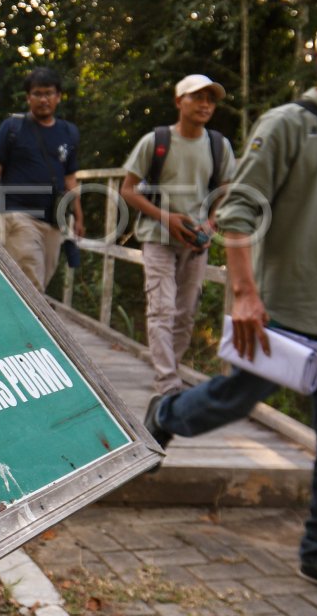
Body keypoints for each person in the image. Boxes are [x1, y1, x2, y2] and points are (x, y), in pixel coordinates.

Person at [143, 11, 317, 610]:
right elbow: (239, 212)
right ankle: (167, 413)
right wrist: (244, 293)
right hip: (289, 306)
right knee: (236, 398)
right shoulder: (287, 126)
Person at [120, 74, 236, 395]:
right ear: (178, 102)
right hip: (157, 237)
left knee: (185, 315)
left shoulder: (218, 145)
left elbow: (228, 189)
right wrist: (166, 218)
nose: (204, 104)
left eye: (210, 99)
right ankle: (168, 383)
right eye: (197, 97)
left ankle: (170, 369)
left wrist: (211, 224)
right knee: (162, 308)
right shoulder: (156, 141)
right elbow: (128, 190)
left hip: (196, 240)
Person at [0, 67, 84, 291]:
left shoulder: (68, 133)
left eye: (49, 93)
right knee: (29, 279)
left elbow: (70, 179)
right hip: (18, 214)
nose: (43, 99)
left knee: (40, 281)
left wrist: (78, 216)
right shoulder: (13, 128)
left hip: (53, 219)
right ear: (28, 97)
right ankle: (35, 325)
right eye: (37, 94)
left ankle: (18, 319)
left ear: (58, 96)